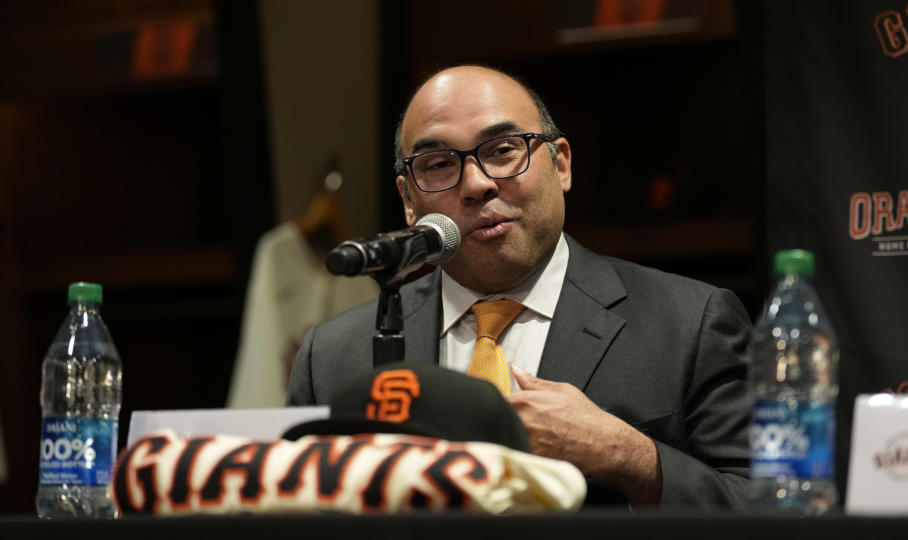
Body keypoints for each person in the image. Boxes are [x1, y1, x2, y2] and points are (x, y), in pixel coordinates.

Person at [287, 65, 753, 507]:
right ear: (409, 201)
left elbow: (768, 512)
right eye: (437, 164)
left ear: (562, 165)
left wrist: (629, 456)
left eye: (503, 150)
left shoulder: (691, 323)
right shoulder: (332, 355)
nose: (476, 184)